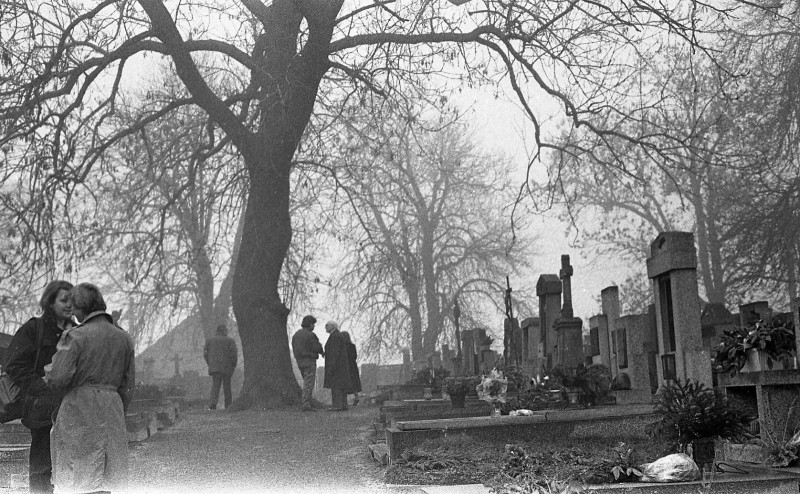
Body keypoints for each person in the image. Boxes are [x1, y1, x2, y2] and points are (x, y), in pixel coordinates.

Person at [46, 282, 135, 494]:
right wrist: (116, 407)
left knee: (78, 476)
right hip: (112, 406)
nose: (72, 312)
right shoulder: (124, 338)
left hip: (80, 408)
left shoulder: (75, 336)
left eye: (74, 307)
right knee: (107, 475)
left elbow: (57, 378)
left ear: (81, 309)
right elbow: (128, 385)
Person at [4, 280, 74, 494]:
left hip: (72, 408)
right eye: (64, 300)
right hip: (42, 408)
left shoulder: (78, 332)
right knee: (42, 468)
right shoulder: (34, 329)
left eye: (73, 299)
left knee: (76, 465)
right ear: (50, 302)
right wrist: (40, 387)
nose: (70, 304)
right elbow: (14, 365)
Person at [291, 315, 324, 411]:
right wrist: (322, 352)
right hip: (309, 361)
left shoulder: (296, 335)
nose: (314, 326)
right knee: (309, 383)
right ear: (310, 324)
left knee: (306, 382)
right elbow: (317, 347)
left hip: (300, 361)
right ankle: (306, 403)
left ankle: (306, 402)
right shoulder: (310, 335)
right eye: (313, 324)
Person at [204, 323, 238, 410]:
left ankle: (212, 404)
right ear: (224, 331)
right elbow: (234, 354)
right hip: (226, 368)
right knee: (227, 387)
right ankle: (228, 405)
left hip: (215, 368)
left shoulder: (210, 341)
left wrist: (210, 363)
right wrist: (233, 365)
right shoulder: (230, 341)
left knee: (215, 386)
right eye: (226, 330)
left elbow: (205, 354)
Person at [323, 321, 353, 411]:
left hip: (336, 366)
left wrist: (331, 366)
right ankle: (343, 405)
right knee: (342, 387)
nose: (325, 327)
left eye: (327, 325)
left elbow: (334, 352)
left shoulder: (335, 336)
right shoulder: (338, 335)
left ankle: (337, 405)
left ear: (333, 326)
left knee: (336, 386)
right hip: (340, 366)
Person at [340, 331, 362, 407]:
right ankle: (356, 397)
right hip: (353, 366)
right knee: (354, 383)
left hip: (345, 366)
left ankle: (344, 401)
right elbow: (354, 356)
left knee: (345, 383)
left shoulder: (341, 347)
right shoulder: (352, 346)